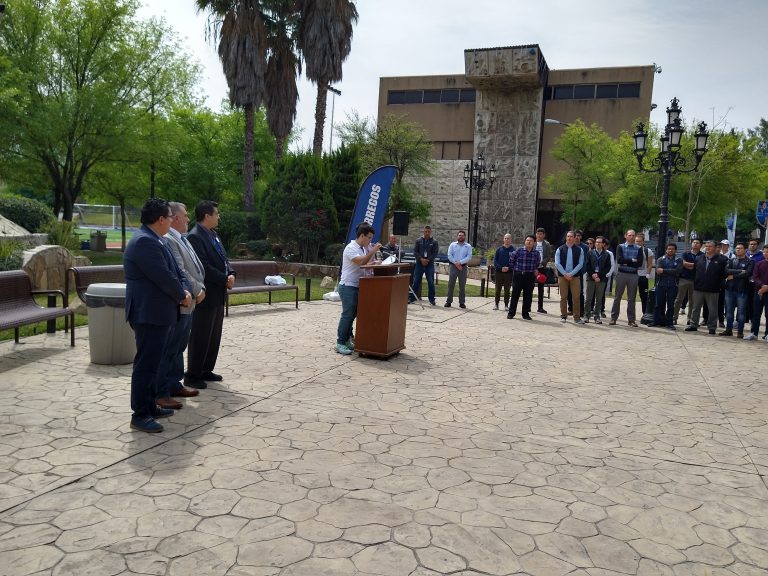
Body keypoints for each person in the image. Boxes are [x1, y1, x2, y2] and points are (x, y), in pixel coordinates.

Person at [124, 198, 192, 433]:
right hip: (148, 314)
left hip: (160, 313)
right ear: (161, 219)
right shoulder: (144, 242)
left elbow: (176, 272)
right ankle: (140, 413)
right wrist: (181, 293)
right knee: (146, 365)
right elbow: (162, 276)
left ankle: (150, 404)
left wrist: (184, 288)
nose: (173, 221)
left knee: (154, 364)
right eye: (170, 217)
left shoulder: (157, 240)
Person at [156, 202, 206, 409]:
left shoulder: (181, 239)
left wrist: (199, 287)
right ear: (174, 218)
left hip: (190, 302)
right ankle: (163, 390)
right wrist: (197, 290)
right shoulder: (169, 240)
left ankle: (174, 383)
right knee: (170, 348)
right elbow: (180, 271)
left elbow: (193, 266)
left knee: (179, 346)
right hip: (181, 302)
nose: (188, 219)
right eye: (184, 216)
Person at [186, 200, 236, 389]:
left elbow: (224, 259)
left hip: (218, 293)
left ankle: (206, 369)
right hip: (206, 293)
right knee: (201, 334)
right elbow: (203, 266)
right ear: (207, 216)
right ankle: (193, 374)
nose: (219, 216)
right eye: (216, 213)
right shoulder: (195, 237)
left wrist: (231, 273)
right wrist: (224, 278)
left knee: (213, 334)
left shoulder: (213, 235)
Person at [335, 223, 381, 355]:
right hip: (348, 286)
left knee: (352, 315)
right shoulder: (351, 248)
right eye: (369, 237)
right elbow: (360, 262)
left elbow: (363, 263)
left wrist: (372, 263)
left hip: (357, 285)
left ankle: (347, 340)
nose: (370, 240)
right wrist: (373, 250)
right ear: (362, 236)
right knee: (347, 315)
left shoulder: (361, 248)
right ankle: (340, 342)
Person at [685, 240, 729, 334]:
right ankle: (693, 324)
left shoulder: (722, 259)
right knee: (696, 307)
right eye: (706, 246)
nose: (707, 248)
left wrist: (717, 282)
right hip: (698, 288)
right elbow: (695, 271)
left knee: (712, 309)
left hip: (713, 288)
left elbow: (724, 274)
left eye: (710, 246)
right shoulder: (699, 258)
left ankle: (712, 327)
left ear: (714, 248)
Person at [610, 229, 644, 327]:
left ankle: (631, 320)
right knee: (617, 297)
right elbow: (620, 260)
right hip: (621, 274)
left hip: (633, 275)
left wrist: (627, 261)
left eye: (633, 235)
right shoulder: (620, 247)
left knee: (631, 298)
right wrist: (632, 260)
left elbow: (639, 263)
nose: (631, 237)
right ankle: (613, 318)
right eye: (629, 235)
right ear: (625, 236)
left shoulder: (639, 248)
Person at [720, 242, 753, 338]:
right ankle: (728, 330)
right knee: (729, 312)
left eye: (740, 248)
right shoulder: (731, 260)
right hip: (729, 289)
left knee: (741, 313)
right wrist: (740, 272)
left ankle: (740, 331)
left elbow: (748, 273)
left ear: (745, 250)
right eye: (737, 248)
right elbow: (726, 271)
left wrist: (733, 276)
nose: (738, 250)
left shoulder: (750, 261)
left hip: (742, 290)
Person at [507, 235, 540, 320]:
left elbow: (537, 263)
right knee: (515, 295)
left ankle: (525, 314)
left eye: (531, 241)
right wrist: (516, 269)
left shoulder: (536, 253)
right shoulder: (518, 251)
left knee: (528, 296)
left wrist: (535, 270)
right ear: (525, 241)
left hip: (530, 276)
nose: (528, 242)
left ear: (534, 243)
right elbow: (511, 261)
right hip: (518, 275)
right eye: (527, 240)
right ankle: (511, 313)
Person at [554, 231, 585, 323]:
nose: (569, 238)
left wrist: (571, 274)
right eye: (568, 236)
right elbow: (557, 263)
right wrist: (564, 274)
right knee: (563, 297)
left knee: (576, 297)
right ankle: (563, 316)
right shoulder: (560, 249)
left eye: (571, 236)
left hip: (575, 277)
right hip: (562, 276)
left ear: (575, 237)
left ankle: (577, 317)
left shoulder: (580, 250)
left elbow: (580, 264)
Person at [651, 243, 683, 329]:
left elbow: (678, 271)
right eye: (669, 249)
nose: (670, 250)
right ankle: (656, 321)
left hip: (673, 285)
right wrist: (671, 271)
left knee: (670, 305)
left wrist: (664, 271)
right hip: (661, 284)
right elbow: (658, 271)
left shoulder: (679, 260)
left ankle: (669, 323)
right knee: (658, 304)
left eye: (672, 249)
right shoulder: (660, 259)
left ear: (675, 250)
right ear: (666, 250)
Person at [584, 236, 612, 324]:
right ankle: (586, 315)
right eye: (596, 242)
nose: (597, 244)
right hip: (591, 278)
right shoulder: (590, 253)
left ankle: (597, 316)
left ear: (603, 244)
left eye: (600, 242)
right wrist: (593, 274)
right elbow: (587, 265)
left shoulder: (606, 254)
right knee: (588, 298)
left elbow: (608, 267)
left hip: (601, 279)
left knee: (599, 299)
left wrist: (599, 275)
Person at [673, 238, 701, 325]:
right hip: (683, 279)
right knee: (678, 299)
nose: (695, 244)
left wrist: (689, 265)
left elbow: (700, 266)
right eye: (694, 242)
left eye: (697, 243)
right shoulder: (685, 254)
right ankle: (674, 318)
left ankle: (690, 319)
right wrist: (694, 265)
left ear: (700, 245)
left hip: (696, 281)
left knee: (693, 301)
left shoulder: (703, 255)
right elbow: (683, 263)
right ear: (691, 244)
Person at [410, 226, 438, 305]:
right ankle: (412, 298)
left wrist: (428, 260)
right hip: (419, 264)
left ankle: (431, 299)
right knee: (416, 281)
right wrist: (421, 259)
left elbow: (435, 253)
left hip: (430, 264)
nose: (427, 233)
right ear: (423, 232)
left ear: (431, 232)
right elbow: (415, 251)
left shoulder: (434, 242)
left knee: (431, 282)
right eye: (426, 231)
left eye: (428, 232)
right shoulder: (418, 240)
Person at [744, 245, 768, 341]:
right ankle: (754, 333)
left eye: (767, 252)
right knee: (756, 313)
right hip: (758, 291)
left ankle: (767, 334)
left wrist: (766, 287)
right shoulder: (759, 263)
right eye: (764, 252)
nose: (765, 254)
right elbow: (755, 276)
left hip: (765, 291)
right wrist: (762, 286)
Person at [444, 230, 472, 309]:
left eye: (462, 235)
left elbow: (469, 257)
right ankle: (448, 301)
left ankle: (462, 302)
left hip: (463, 267)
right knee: (451, 284)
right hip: (453, 266)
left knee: (462, 285)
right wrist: (456, 263)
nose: (461, 236)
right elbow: (449, 255)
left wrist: (460, 263)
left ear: (465, 236)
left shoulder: (468, 246)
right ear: (457, 236)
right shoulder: (452, 245)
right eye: (459, 235)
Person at [493, 234, 515, 311]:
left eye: (508, 238)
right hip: (499, 272)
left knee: (507, 290)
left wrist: (508, 268)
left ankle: (506, 305)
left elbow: (514, 262)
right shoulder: (499, 249)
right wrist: (500, 268)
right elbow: (495, 261)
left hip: (509, 273)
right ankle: (496, 304)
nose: (507, 240)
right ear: (503, 239)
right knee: (497, 289)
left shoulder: (513, 250)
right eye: (505, 238)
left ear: (511, 239)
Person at [534, 227, 553, 314]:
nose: (539, 235)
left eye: (541, 234)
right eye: (538, 233)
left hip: (542, 267)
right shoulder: (533, 242)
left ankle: (540, 307)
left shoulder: (547, 244)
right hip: (532, 268)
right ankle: (528, 307)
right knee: (529, 287)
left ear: (544, 235)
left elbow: (548, 256)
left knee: (541, 288)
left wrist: (542, 263)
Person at [635, 234, 654, 316]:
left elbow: (650, 264)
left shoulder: (647, 251)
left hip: (643, 276)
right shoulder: (632, 249)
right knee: (632, 296)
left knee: (644, 296)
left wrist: (648, 274)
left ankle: (645, 313)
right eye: (636, 241)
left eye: (640, 241)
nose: (638, 243)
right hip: (633, 275)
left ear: (643, 242)